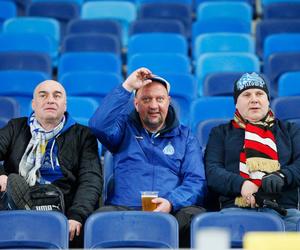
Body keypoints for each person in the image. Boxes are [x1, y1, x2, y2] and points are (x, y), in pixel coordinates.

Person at [89, 67, 206, 247]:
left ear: (168, 102)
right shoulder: (123, 128)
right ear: (136, 103)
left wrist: (171, 202)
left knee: (197, 217)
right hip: (126, 211)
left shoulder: (186, 137)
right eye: (146, 99)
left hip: (170, 213)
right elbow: (98, 125)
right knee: (100, 218)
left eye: (159, 99)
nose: (153, 106)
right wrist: (127, 86)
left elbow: (196, 180)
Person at [0, 80, 102, 247]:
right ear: (33, 104)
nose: (50, 100)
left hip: (62, 209)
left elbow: (91, 179)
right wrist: (1, 174)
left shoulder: (83, 135)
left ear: (64, 104)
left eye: (57, 95)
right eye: (43, 95)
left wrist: (77, 215)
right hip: (17, 204)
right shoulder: (15, 127)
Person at [205, 72, 300, 230]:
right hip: (236, 211)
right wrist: (241, 185)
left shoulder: (291, 130)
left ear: (268, 100)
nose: (254, 99)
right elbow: (212, 172)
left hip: (284, 212)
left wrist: (282, 176)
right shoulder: (220, 133)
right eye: (246, 95)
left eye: (259, 94)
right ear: (236, 103)